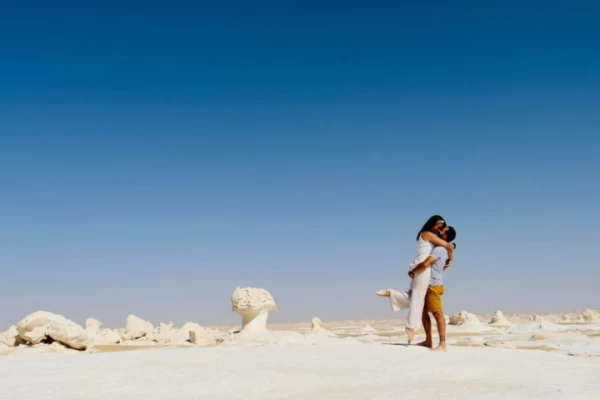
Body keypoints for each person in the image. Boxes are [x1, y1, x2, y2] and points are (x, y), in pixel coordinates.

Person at [377, 216, 455, 344]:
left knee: (415, 295)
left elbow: (449, 246)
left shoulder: (432, 239)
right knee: (418, 296)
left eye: (442, 230)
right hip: (423, 267)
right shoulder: (428, 234)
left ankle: (392, 294)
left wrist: (450, 253)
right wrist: (451, 258)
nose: (439, 231)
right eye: (439, 228)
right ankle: (410, 326)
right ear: (433, 224)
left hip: (420, 266)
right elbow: (448, 246)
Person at [409, 237, 455, 351]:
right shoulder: (442, 248)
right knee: (424, 312)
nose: (438, 233)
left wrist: (412, 271)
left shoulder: (439, 249)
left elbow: (425, 264)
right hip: (428, 284)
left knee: (438, 314)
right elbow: (451, 247)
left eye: (442, 232)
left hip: (433, 285)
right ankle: (428, 340)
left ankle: (442, 344)